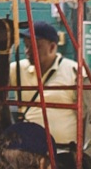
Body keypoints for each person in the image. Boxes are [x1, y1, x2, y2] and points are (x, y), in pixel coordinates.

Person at [8, 22, 79, 155]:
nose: (28, 51)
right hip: (27, 152)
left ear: (52, 47)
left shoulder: (75, 72)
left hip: (64, 152)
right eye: (26, 46)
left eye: (35, 47)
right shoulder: (16, 69)